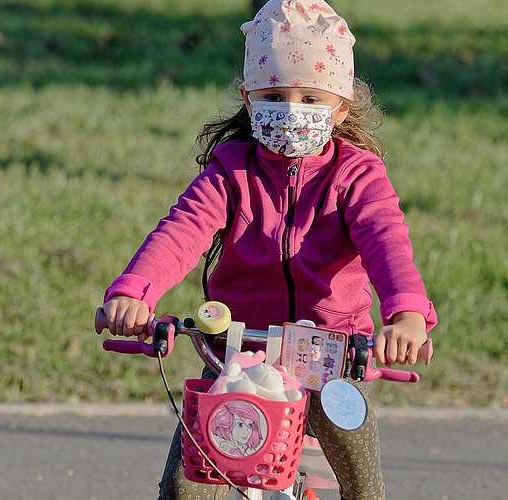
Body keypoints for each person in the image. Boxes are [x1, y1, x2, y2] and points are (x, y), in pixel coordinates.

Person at [101, 1, 438, 498]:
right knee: (185, 487)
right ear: (248, 98)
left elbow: (386, 241)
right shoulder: (231, 171)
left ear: (341, 107)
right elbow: (183, 230)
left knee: (363, 487)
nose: (292, 110)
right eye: (275, 95)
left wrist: (406, 315)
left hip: (333, 357)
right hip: (236, 358)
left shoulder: (357, 175)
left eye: (310, 98)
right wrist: (135, 293)